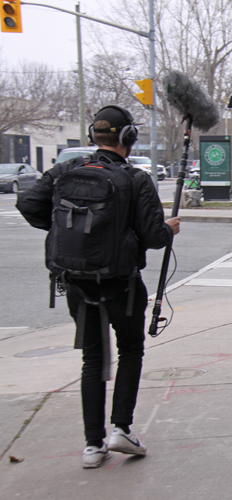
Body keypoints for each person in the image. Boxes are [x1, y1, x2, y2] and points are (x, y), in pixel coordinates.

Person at [16, 105, 180, 468]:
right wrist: (169, 228)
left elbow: (28, 204)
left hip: (76, 282)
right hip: (122, 284)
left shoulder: (64, 171)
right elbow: (154, 236)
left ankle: (93, 445)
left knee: (93, 360)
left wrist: (67, 232)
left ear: (93, 136)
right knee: (130, 351)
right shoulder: (136, 179)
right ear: (127, 138)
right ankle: (121, 427)